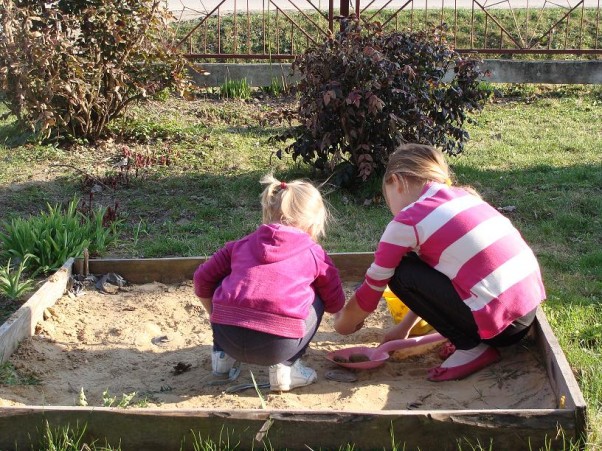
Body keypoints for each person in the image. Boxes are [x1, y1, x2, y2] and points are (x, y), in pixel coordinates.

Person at [333, 143, 546, 382]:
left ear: (397, 181)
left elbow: (372, 290)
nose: (391, 209)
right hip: (526, 310)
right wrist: (404, 327)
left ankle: (471, 348)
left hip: (502, 328)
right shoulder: (464, 197)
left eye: (387, 197)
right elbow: (438, 278)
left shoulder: (408, 220)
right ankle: (471, 338)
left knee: (399, 271)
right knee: (413, 263)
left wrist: (343, 324)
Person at [193, 174, 345, 391]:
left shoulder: (239, 245)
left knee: (223, 280)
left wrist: (214, 314)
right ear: (313, 225)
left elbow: (201, 278)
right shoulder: (314, 253)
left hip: (227, 336)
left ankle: (222, 359)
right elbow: (334, 302)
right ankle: (286, 368)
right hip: (278, 345)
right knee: (317, 294)